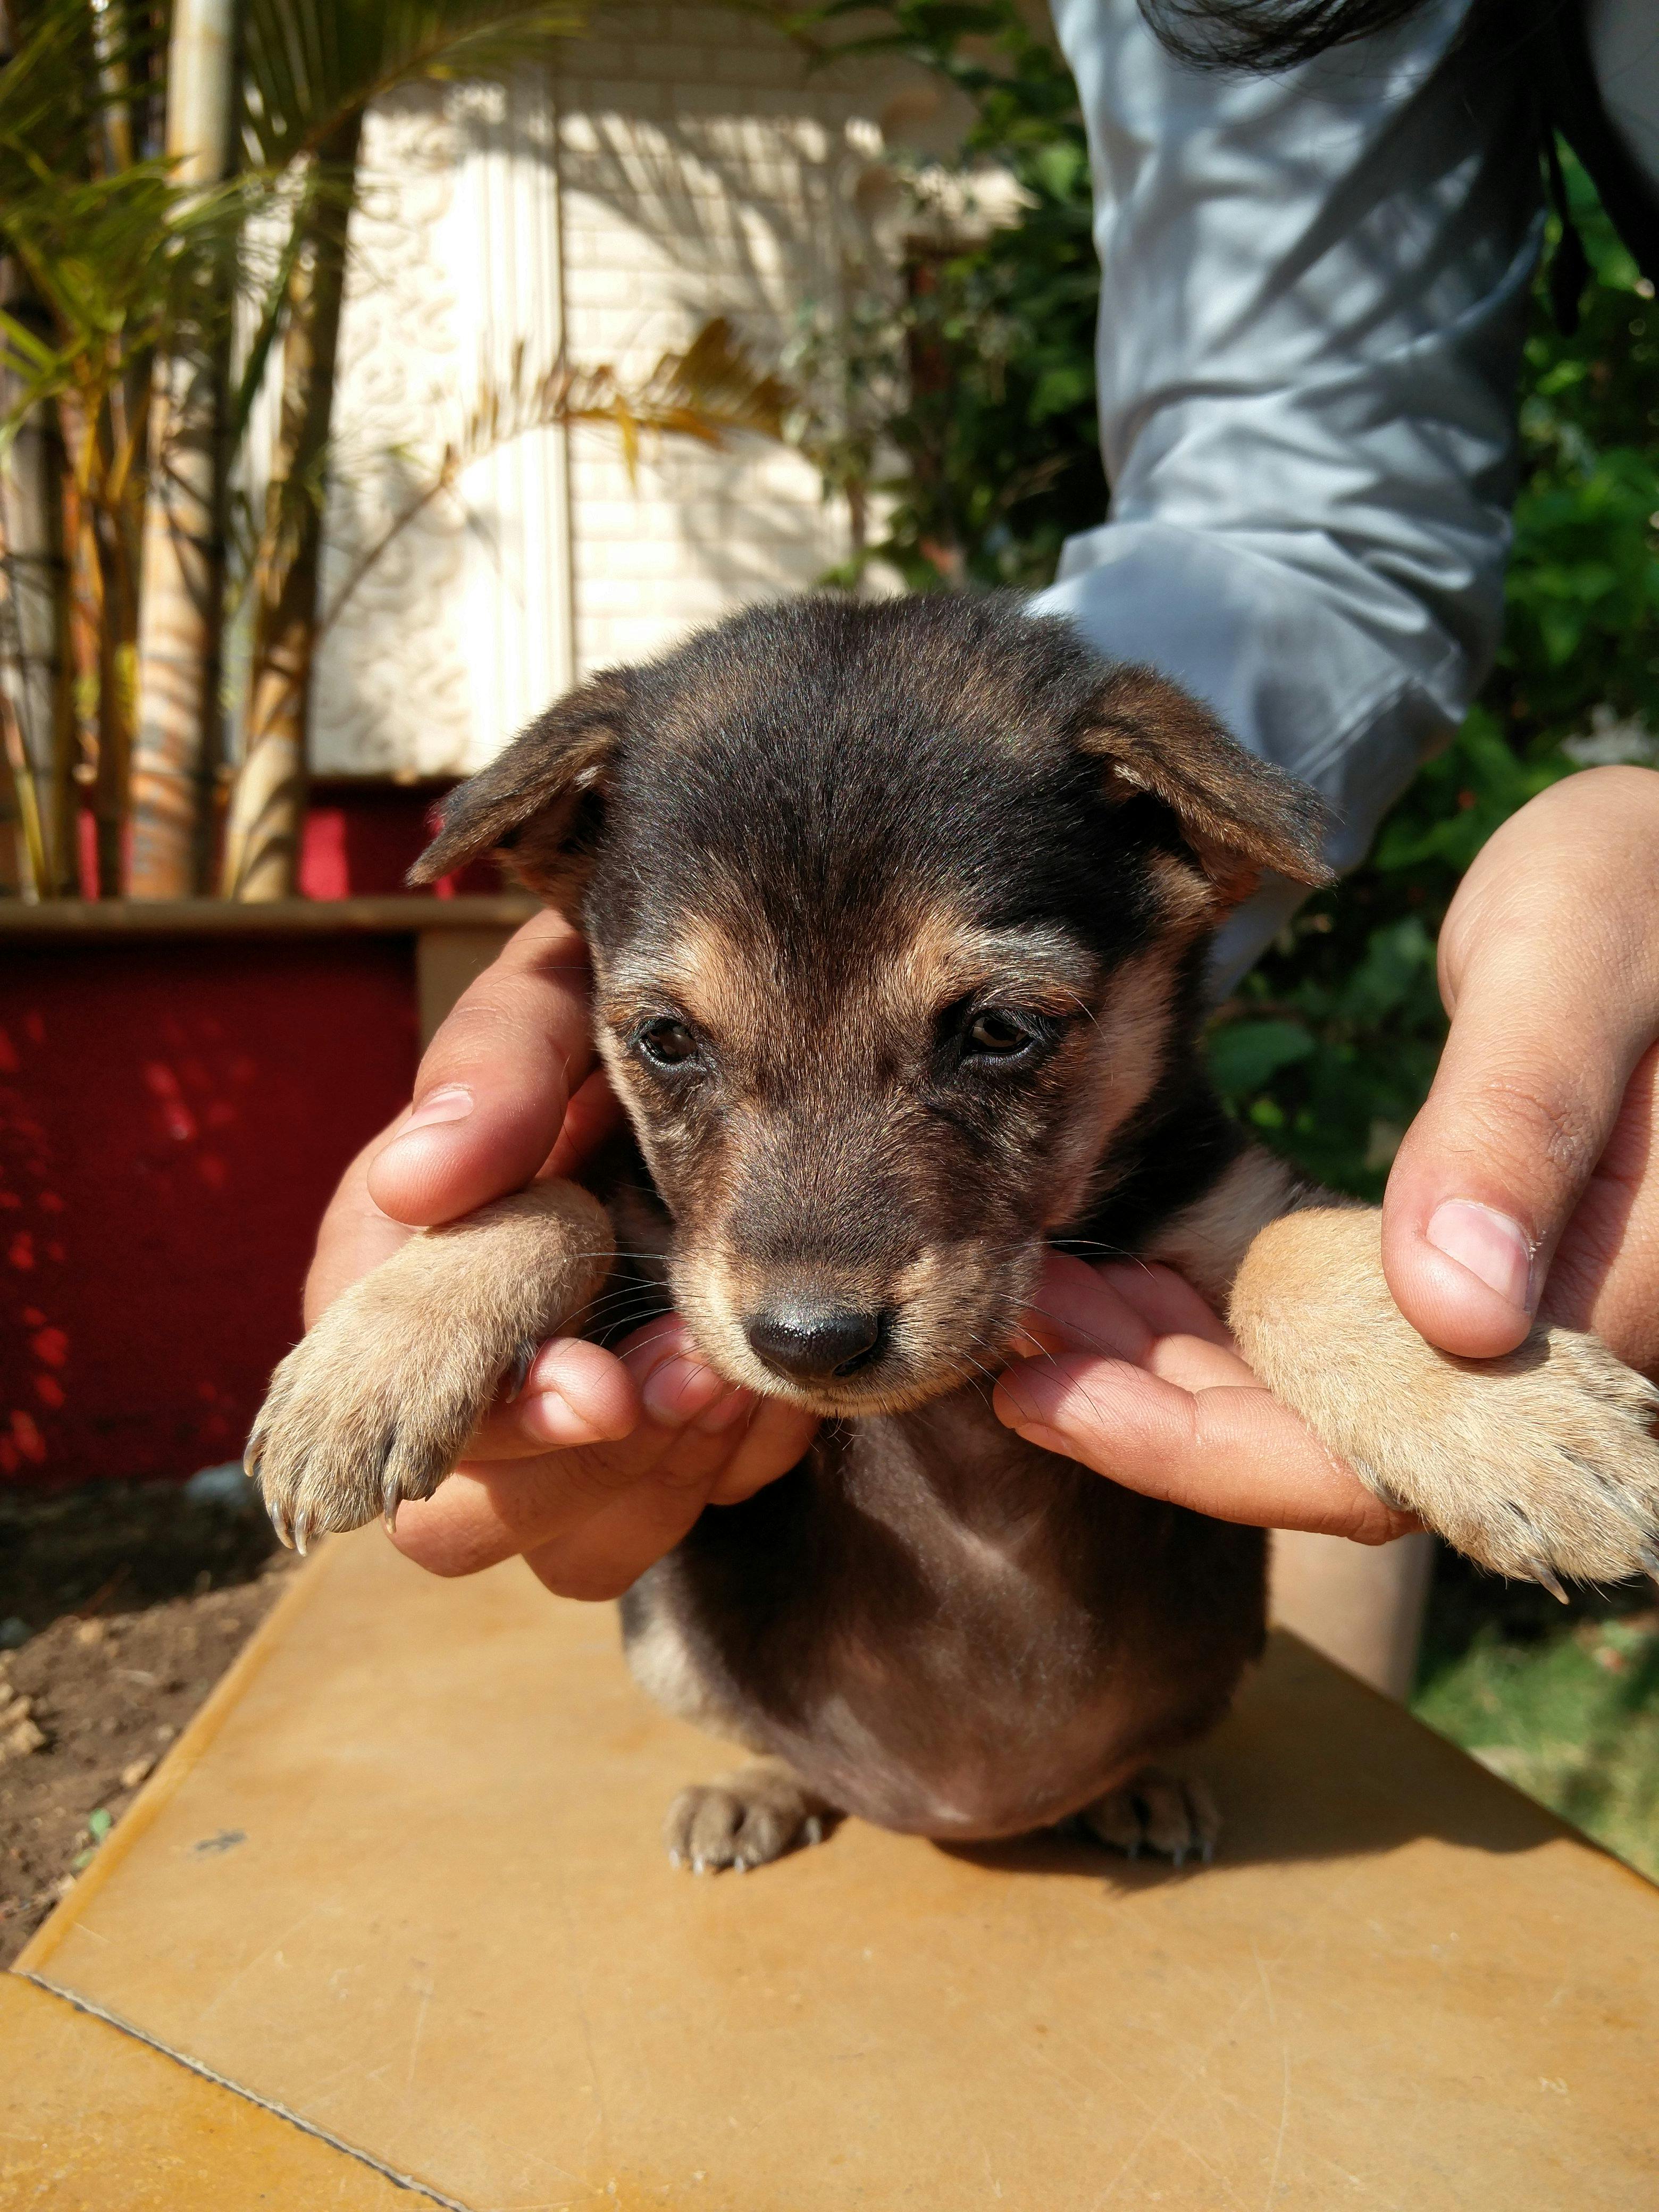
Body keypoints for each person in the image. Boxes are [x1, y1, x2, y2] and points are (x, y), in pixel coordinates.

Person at [303, 0, 1659, 1611]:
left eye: (995, 1035)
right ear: (555, 872)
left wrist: (1403, 1358)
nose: (811, 1277)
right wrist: (464, 1272)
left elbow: (1279, 1246)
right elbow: (1305, 502)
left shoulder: (1151, 955)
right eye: (672, 1041)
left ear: (1185, 862)